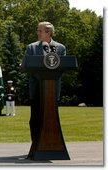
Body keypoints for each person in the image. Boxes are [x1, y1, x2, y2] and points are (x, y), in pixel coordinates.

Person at [23, 21, 66, 158]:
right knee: (35, 120)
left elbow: (63, 67)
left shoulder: (60, 48)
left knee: (51, 120)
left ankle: (51, 147)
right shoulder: (31, 47)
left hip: (52, 92)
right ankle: (36, 146)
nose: (37, 33)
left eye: (40, 31)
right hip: (36, 90)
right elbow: (27, 65)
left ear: (48, 32)